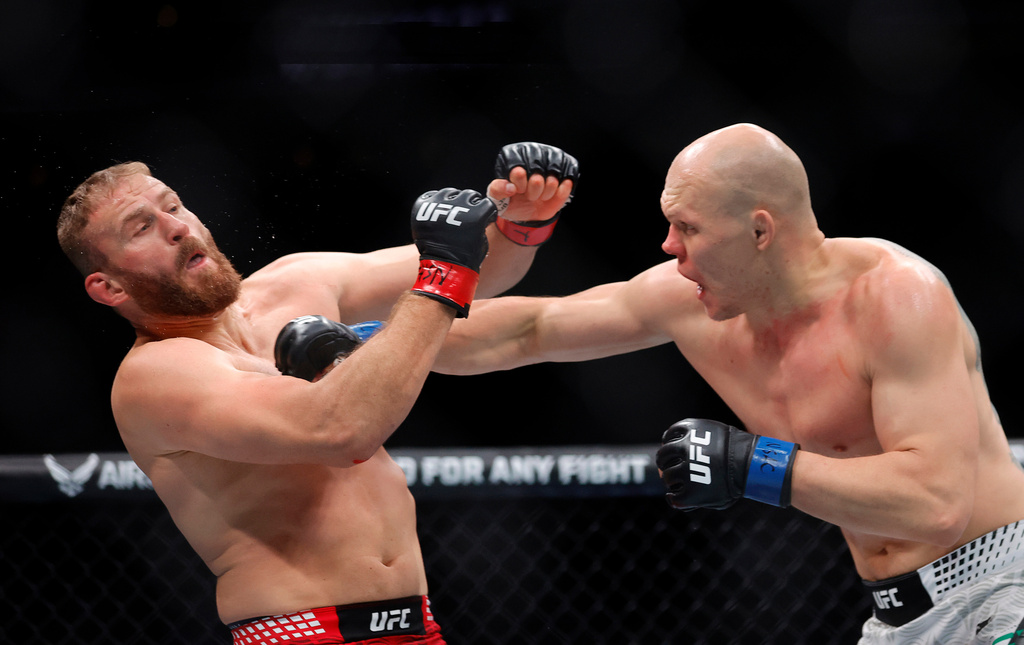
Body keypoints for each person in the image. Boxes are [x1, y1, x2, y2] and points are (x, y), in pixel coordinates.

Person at [435, 124, 1024, 644]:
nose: (668, 246)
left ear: (760, 231)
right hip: (894, 617)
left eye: (687, 227)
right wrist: (368, 343)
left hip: (1002, 588)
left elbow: (936, 503)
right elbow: (528, 330)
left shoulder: (895, 298)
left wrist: (753, 464)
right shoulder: (689, 297)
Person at [55, 142, 579, 644]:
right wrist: (443, 272)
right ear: (110, 287)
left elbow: (486, 267)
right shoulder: (156, 375)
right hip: (305, 630)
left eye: (173, 205)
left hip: (418, 624)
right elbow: (340, 430)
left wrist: (523, 221)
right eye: (141, 227)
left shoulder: (298, 280)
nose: (174, 227)